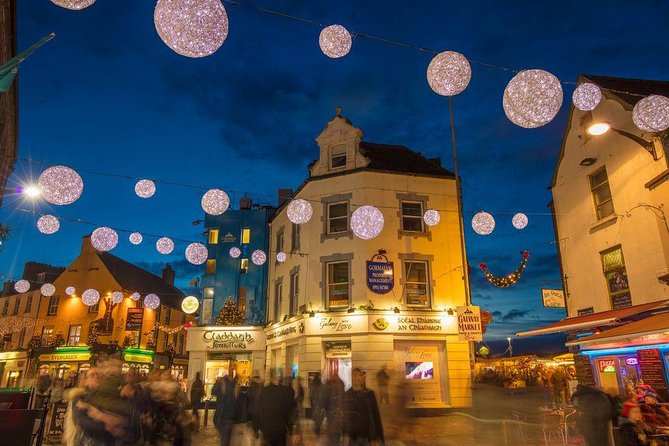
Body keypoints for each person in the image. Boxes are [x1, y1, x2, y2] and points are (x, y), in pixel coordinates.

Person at [343, 368, 384, 446]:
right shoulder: (347, 395)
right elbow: (345, 417)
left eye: (359, 375)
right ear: (351, 378)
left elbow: (376, 416)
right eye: (355, 375)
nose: (357, 378)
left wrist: (378, 437)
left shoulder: (370, 394)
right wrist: (346, 434)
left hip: (368, 437)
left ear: (362, 378)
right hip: (353, 437)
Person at [257, 370, 294, 446]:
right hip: (280, 430)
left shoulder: (264, 391)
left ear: (270, 378)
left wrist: (260, 427)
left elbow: (260, 411)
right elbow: (288, 411)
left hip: (268, 431)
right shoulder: (285, 391)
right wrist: (289, 427)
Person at [212, 369, 239, 446]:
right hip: (233, 416)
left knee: (224, 439)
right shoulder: (235, 384)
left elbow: (213, 391)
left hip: (223, 415)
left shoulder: (221, 382)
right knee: (229, 439)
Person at [321, 374, 345, 446]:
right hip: (337, 415)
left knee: (333, 436)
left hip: (332, 415)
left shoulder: (329, 385)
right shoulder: (340, 383)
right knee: (335, 435)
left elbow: (324, 401)